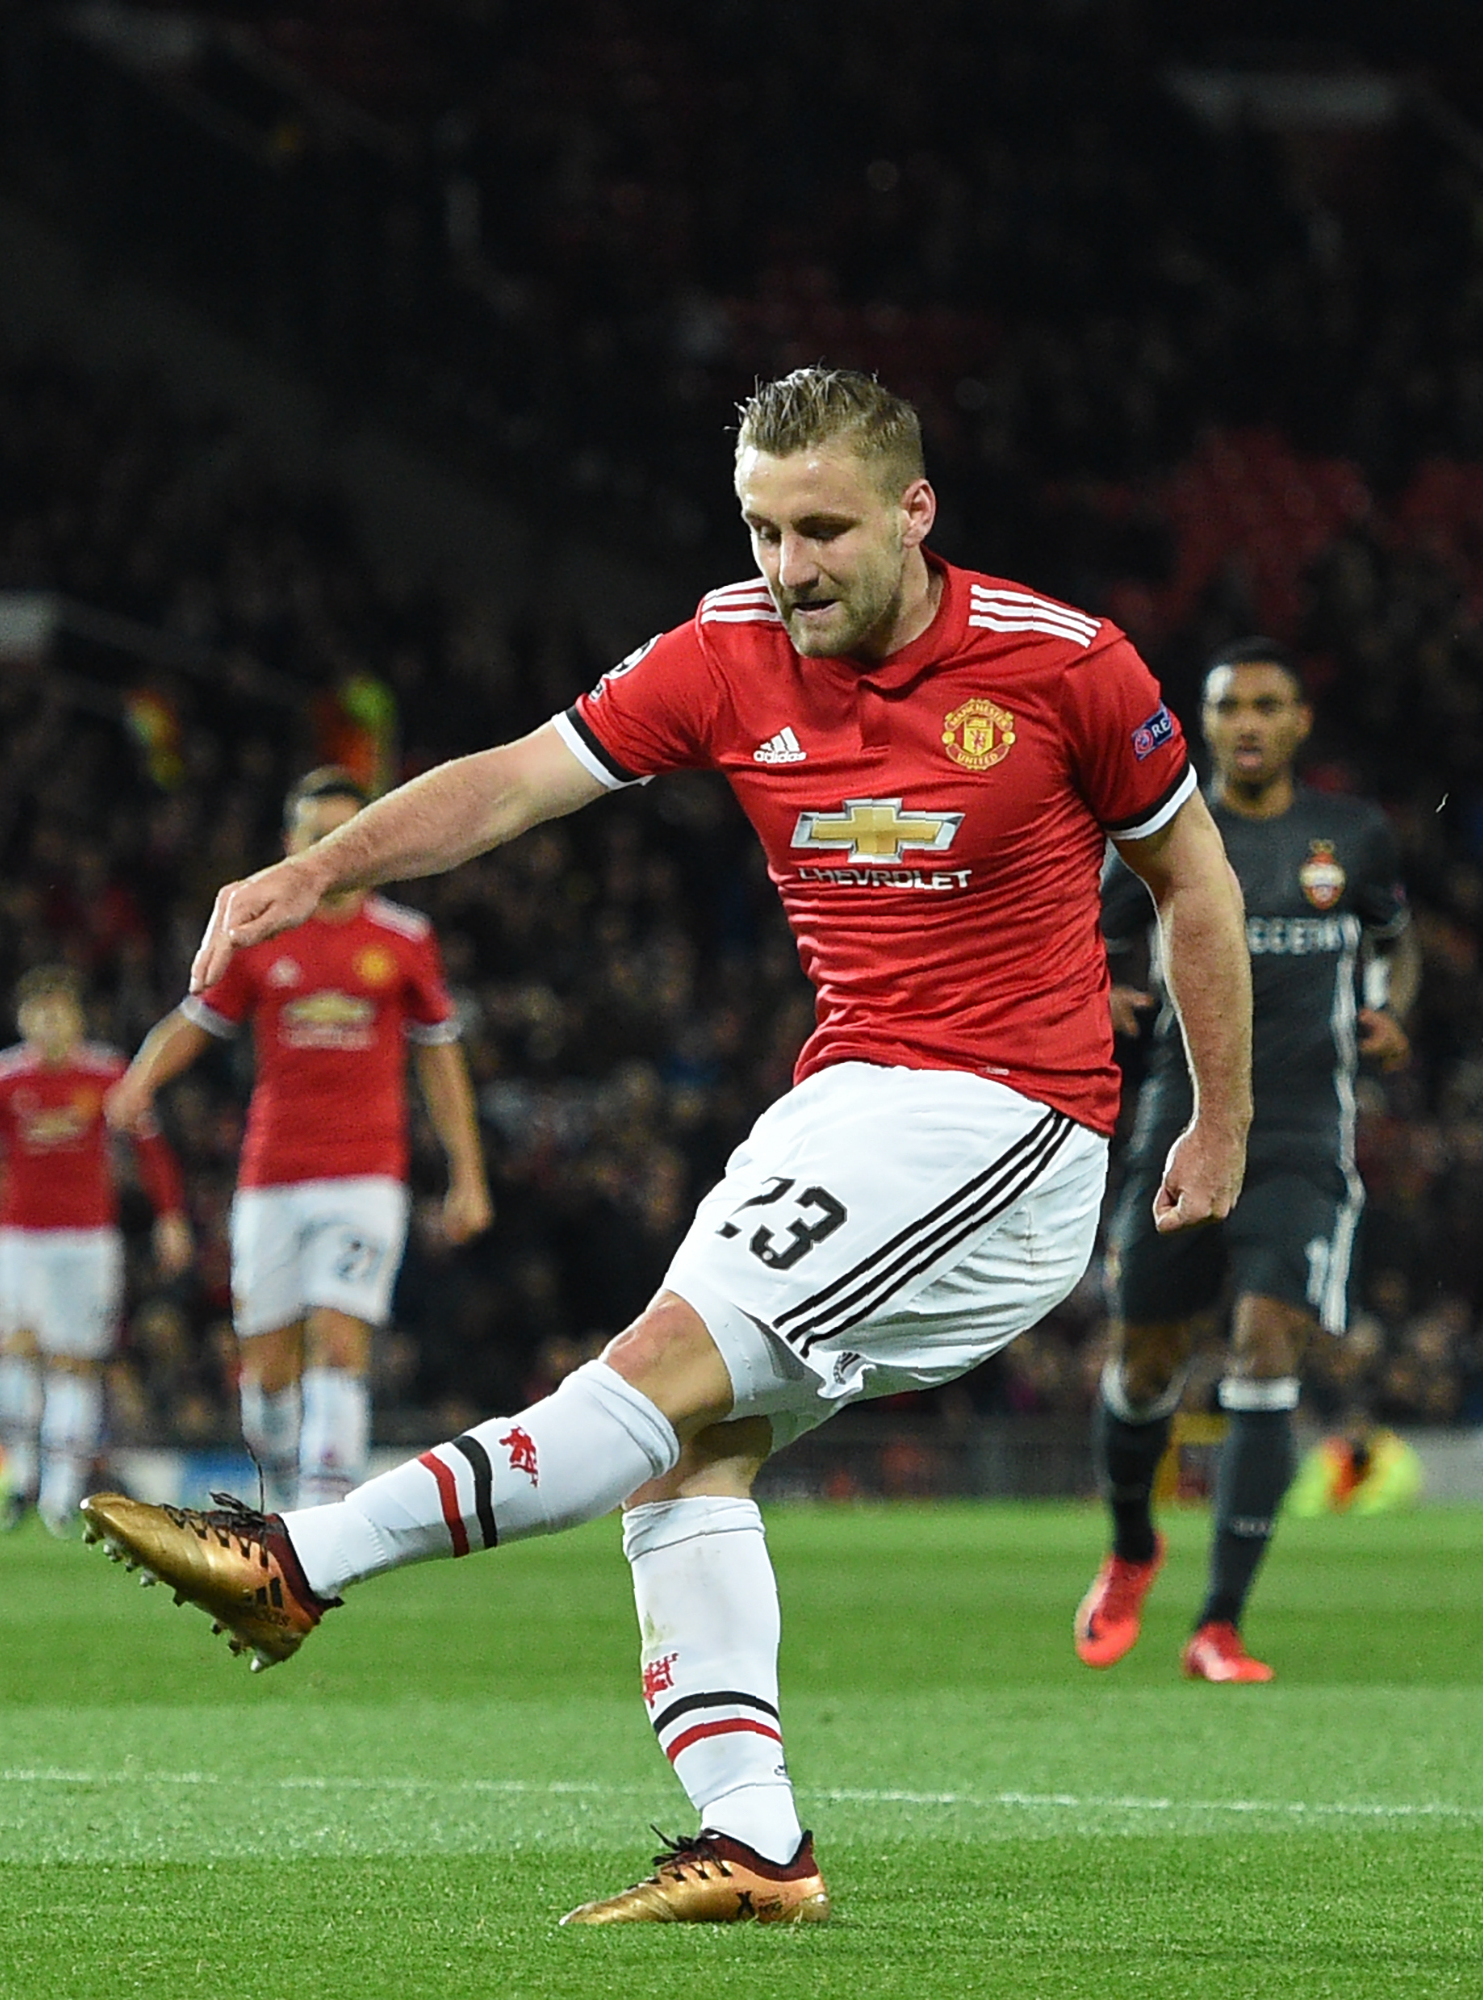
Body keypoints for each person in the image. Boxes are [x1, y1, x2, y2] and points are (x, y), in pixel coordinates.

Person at [81, 367, 1251, 1926]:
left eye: (824, 528)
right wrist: (324, 871)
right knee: (681, 1459)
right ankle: (756, 1843)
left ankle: (299, 1560)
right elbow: (513, 781)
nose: (793, 566)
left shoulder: (1064, 667)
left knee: (649, 1375)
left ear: (916, 512)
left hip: (1007, 1118)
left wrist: (1224, 1116)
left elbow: (1198, 888)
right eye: (765, 529)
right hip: (846, 1102)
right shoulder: (725, 648)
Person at [1076, 641, 1415, 1683]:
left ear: (1301, 720)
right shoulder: (1163, 834)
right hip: (1178, 1124)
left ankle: (1218, 1623)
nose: (1250, 722)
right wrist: (1102, 991)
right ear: (1204, 723)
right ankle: (1135, 1543)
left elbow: (1398, 937)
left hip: (1305, 1136)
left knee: (1268, 1346)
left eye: (1270, 704)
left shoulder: (1351, 836)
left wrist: (1390, 1007)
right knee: (1144, 1363)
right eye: (1230, 706)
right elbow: (1080, 942)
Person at [103, 769, 493, 1510]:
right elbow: (198, 1017)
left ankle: (322, 1517)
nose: (335, 847)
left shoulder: (406, 940)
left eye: (349, 832)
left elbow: (441, 1060)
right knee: (267, 1367)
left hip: (367, 1173)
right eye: (320, 835)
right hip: (272, 1174)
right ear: (292, 842)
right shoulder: (263, 930)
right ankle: (281, 1487)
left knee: (341, 1343)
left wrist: (467, 1176)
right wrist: (140, 1080)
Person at [0, 966, 195, 1534]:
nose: (50, 1024)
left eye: (60, 1012)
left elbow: (151, 1150)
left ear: (77, 1018)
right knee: (18, 1350)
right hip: (17, 1237)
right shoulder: (0, 1077)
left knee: (75, 1361)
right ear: (24, 1019)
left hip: (88, 1238)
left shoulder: (108, 1074)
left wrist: (170, 1217)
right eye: (39, 1013)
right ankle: (18, 1479)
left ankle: (59, 1495)